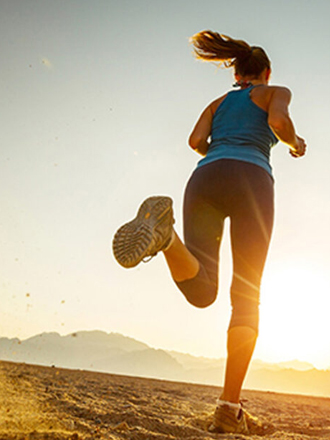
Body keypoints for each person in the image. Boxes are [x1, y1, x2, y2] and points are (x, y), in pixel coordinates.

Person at [112, 30, 306, 434]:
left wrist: (219, 153)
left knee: (202, 291)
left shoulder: (217, 103)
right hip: (252, 178)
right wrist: (293, 143)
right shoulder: (274, 92)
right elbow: (279, 121)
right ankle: (228, 406)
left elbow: (196, 141)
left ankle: (166, 239)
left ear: (237, 75)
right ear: (266, 72)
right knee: (245, 296)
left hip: (204, 179)